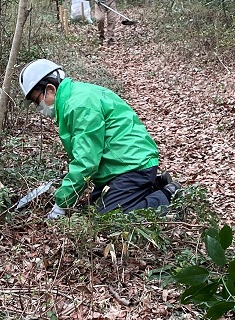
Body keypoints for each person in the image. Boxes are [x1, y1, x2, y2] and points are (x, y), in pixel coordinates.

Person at [19, 58, 181, 219]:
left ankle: (168, 195)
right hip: (119, 166)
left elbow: (86, 160)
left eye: (36, 100)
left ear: (50, 89)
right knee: (91, 209)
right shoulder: (75, 97)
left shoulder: (79, 105)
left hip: (132, 165)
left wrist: (62, 202)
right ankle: (152, 186)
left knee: (108, 218)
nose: (37, 107)